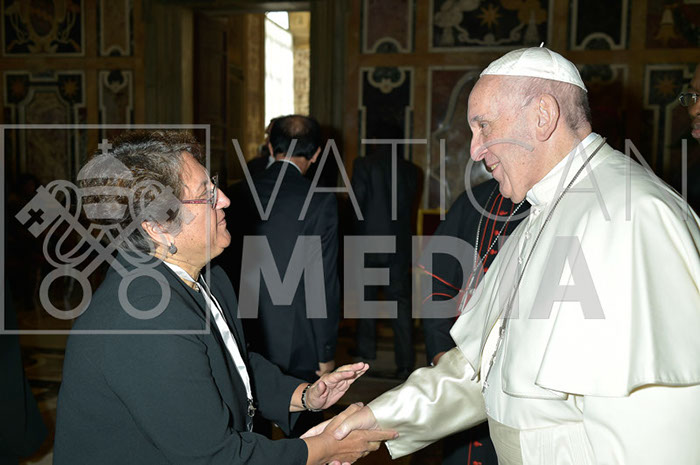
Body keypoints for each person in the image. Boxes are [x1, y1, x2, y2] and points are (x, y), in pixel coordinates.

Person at [327, 47, 700, 464]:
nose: (475, 150)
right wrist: (374, 419)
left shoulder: (634, 215)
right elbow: (482, 370)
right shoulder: (545, 208)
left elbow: (658, 431)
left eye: (483, 126)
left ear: (543, 116)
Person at [54, 130, 395, 465]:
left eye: (214, 185)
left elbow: (230, 362)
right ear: (157, 226)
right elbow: (217, 457)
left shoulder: (208, 276)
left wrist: (302, 395)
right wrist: (324, 449)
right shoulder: (144, 317)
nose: (225, 199)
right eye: (206, 194)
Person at [421, 177, 529, 465]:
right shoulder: (476, 200)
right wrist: (440, 350)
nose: (477, 155)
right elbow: (436, 279)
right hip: (467, 369)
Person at [349, 132, 421, 379]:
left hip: (369, 242)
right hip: (399, 244)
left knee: (366, 299)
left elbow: (357, 204)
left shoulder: (363, 164)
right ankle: (405, 363)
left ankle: (366, 352)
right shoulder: (411, 170)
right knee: (400, 303)